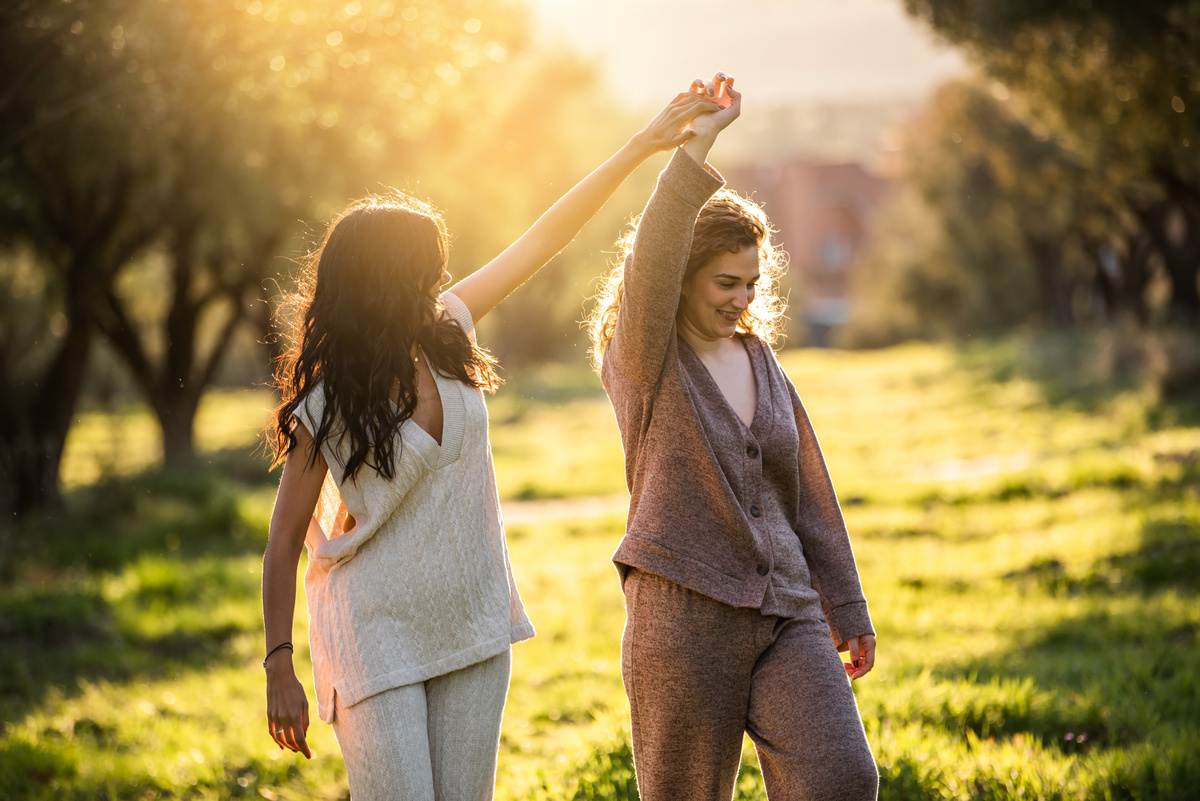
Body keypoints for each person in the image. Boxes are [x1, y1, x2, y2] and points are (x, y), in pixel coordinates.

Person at [260, 88, 720, 799]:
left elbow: (545, 237)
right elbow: (284, 536)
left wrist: (643, 145)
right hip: (374, 634)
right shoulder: (326, 404)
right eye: (425, 266)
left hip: (472, 619)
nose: (441, 278)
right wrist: (279, 665)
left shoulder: (451, 328)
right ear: (384, 281)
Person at [587, 73, 880, 801]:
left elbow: (808, 488)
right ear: (684, 280)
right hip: (682, 619)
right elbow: (649, 254)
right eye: (724, 282)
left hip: (786, 608)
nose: (742, 299)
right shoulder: (646, 361)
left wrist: (846, 605)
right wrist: (700, 146)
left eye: (751, 283)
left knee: (842, 776)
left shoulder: (761, 360)